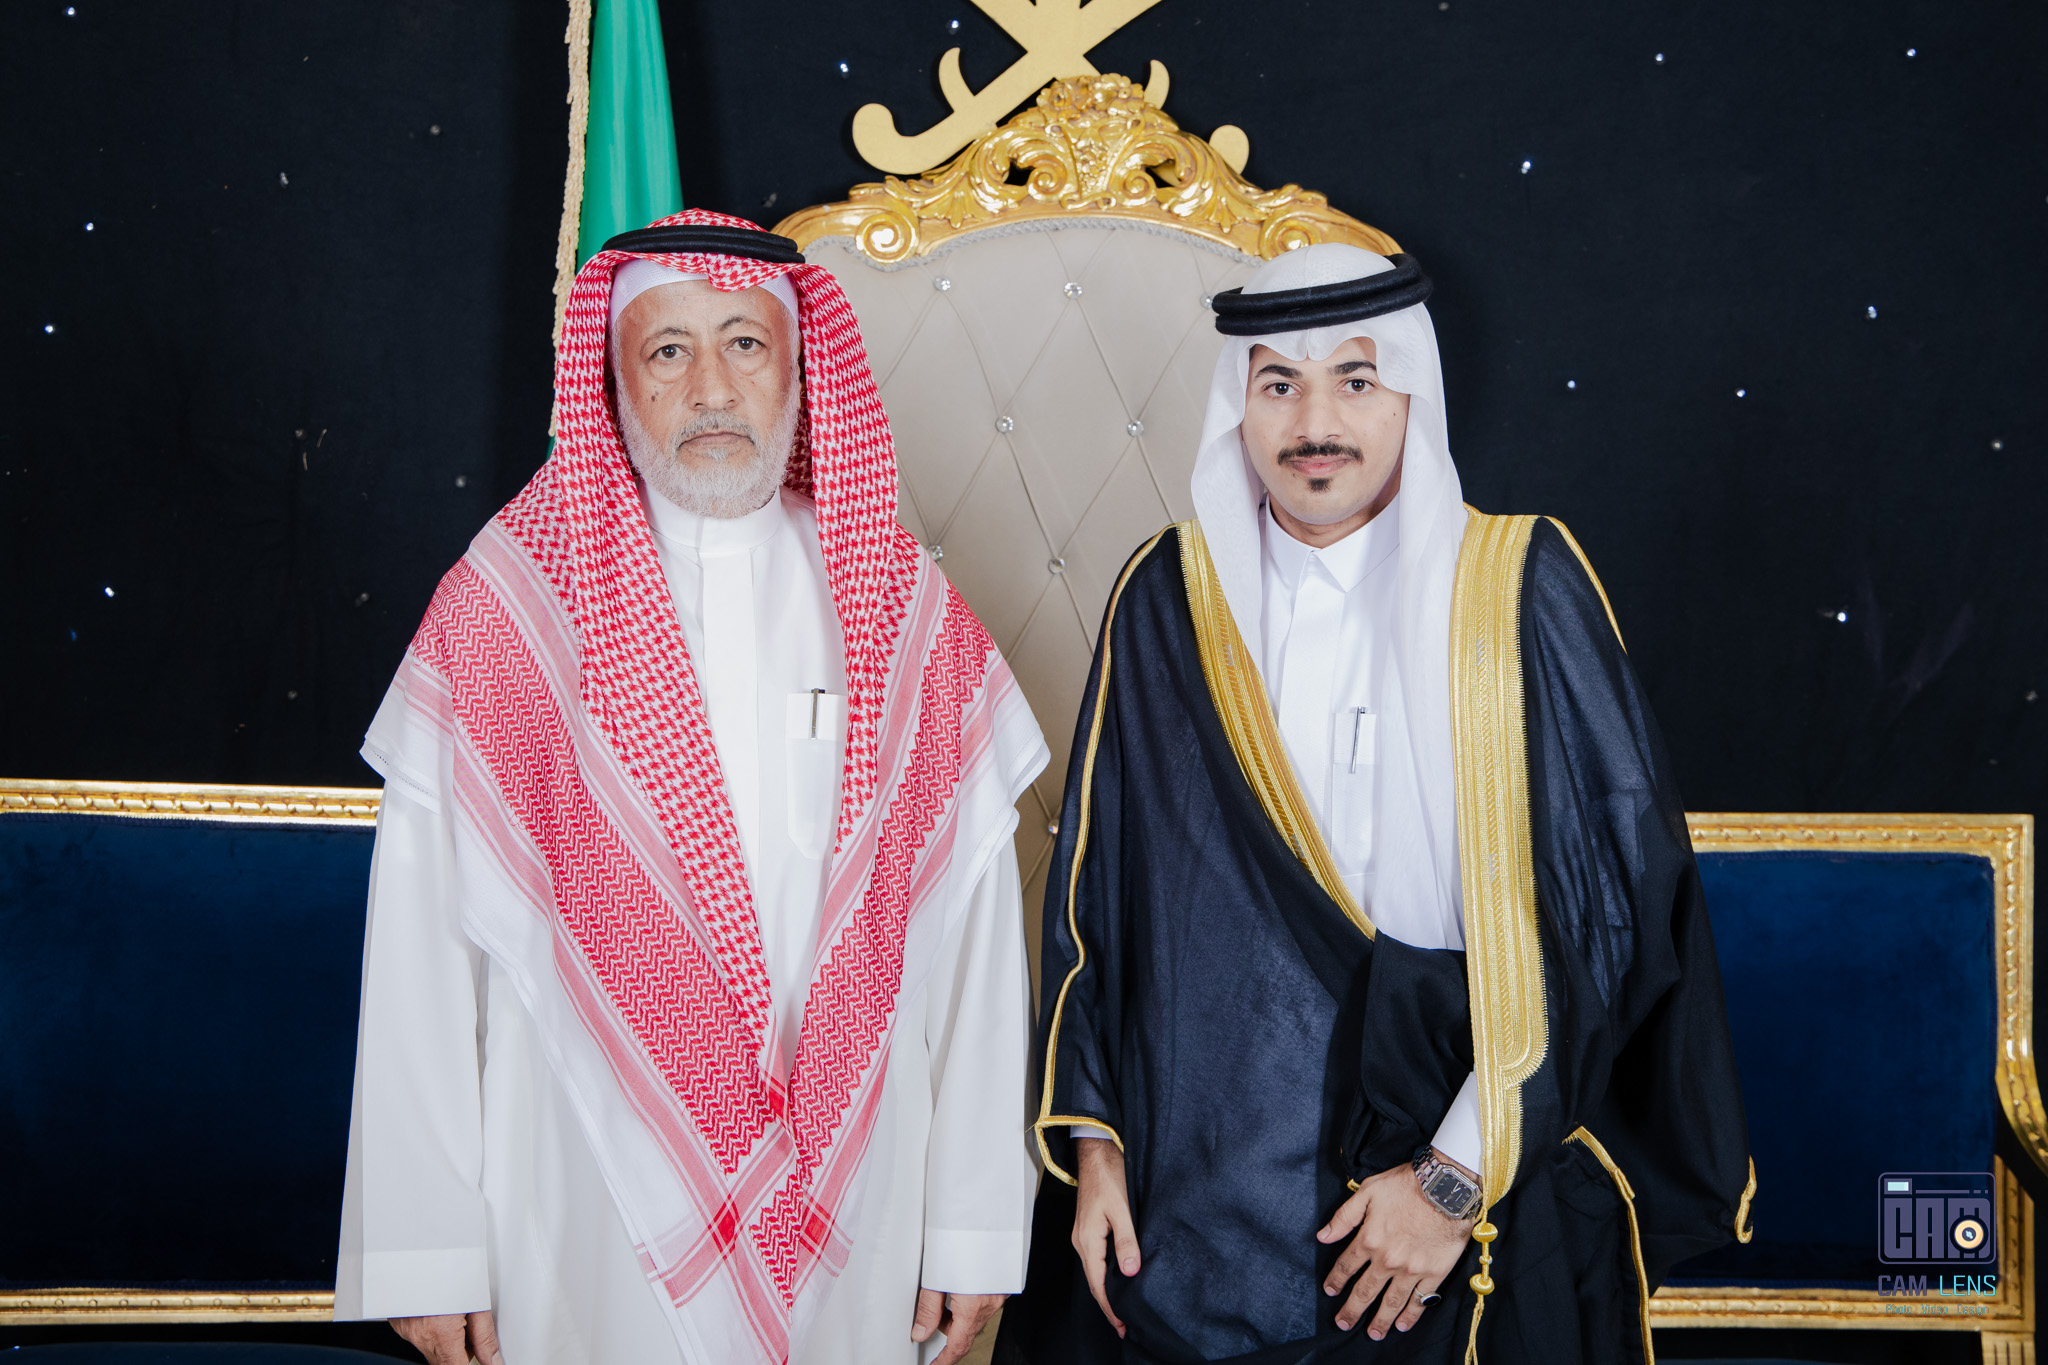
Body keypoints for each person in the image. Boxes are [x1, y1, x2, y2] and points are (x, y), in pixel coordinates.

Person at [997, 244, 1753, 1364]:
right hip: (1201, 1182)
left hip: (1470, 1162)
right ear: (1238, 406)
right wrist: (1097, 1148)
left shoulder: (1518, 585)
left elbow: (1605, 915)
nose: (1316, 423)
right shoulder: (1166, 596)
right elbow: (1095, 898)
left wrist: (1450, 1182)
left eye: (1355, 380)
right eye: (1279, 384)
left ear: (1409, 395)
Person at [334, 210, 1047, 1365]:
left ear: (800, 371)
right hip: (576, 1194)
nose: (711, 387)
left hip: (852, 1202)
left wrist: (970, 1227)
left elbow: (971, 938)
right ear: (613, 382)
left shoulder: (900, 609)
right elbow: (418, 949)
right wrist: (426, 1252)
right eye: (667, 350)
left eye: (745, 344)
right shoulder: (507, 613)